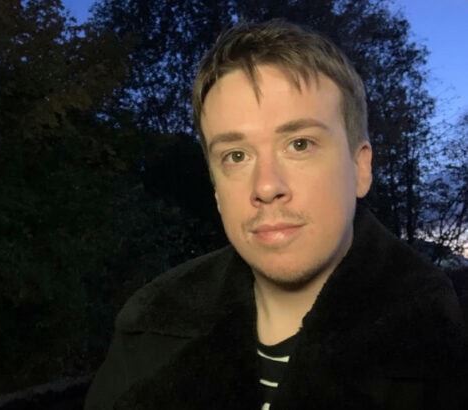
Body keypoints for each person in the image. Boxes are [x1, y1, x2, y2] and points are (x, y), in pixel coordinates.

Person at [84, 19, 468, 410]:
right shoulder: (149, 330)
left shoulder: (443, 347)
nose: (266, 186)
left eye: (299, 144)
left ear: (360, 167)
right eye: (236, 156)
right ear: (216, 190)